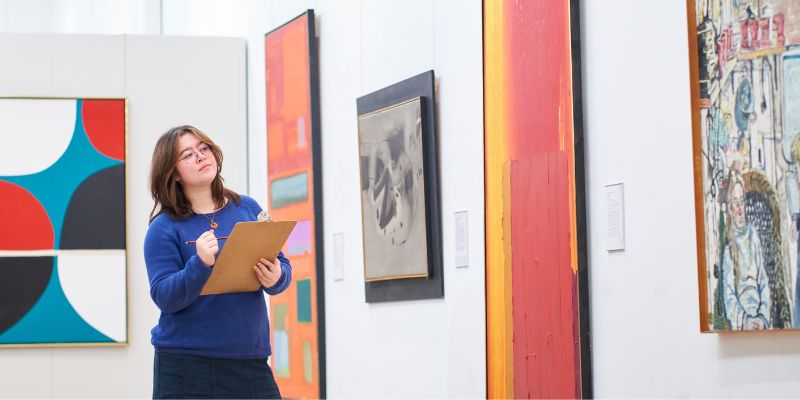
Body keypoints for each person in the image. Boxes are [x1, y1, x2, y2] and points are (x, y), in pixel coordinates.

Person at [144, 125, 291, 399]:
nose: (201, 157)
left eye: (204, 148)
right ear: (173, 174)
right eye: (188, 155)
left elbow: (281, 265)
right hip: (186, 367)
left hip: (249, 361)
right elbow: (164, 296)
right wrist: (199, 264)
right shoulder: (163, 227)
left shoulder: (247, 208)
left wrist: (277, 277)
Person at [722, 172, 770, 330]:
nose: (740, 209)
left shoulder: (753, 235)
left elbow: (763, 281)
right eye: (735, 203)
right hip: (743, 322)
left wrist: (763, 316)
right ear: (730, 208)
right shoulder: (729, 246)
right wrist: (745, 321)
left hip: (760, 318)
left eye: (742, 201)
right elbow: (729, 297)